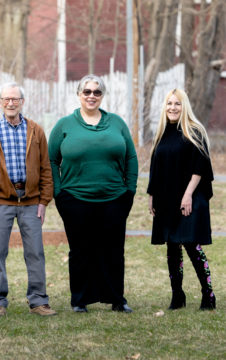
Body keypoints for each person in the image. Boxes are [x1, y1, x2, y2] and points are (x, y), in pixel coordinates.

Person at [48, 74, 138, 313]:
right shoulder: (65, 125)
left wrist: (129, 190)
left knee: (113, 250)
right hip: (75, 199)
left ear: (102, 96)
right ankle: (80, 300)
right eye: (86, 91)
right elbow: (51, 160)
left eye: (96, 92)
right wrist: (59, 192)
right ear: (79, 95)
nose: (91, 96)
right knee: (80, 250)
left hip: (114, 198)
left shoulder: (117, 123)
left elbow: (130, 157)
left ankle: (117, 299)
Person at [0, 82, 56, 317]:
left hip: (31, 202)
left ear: (22, 102)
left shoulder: (36, 131)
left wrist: (44, 201)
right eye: (6, 99)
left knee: (35, 252)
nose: (11, 103)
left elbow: (46, 169)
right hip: (0, 202)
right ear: (0, 102)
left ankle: (38, 301)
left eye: (15, 99)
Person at [147, 89, 216, 310]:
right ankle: (178, 296)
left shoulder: (194, 132)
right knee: (172, 246)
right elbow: (155, 168)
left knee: (191, 245)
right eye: (169, 103)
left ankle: (208, 295)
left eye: (177, 104)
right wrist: (151, 195)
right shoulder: (162, 133)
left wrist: (188, 195)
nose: (173, 108)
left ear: (184, 106)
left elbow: (200, 167)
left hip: (190, 197)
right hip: (166, 198)